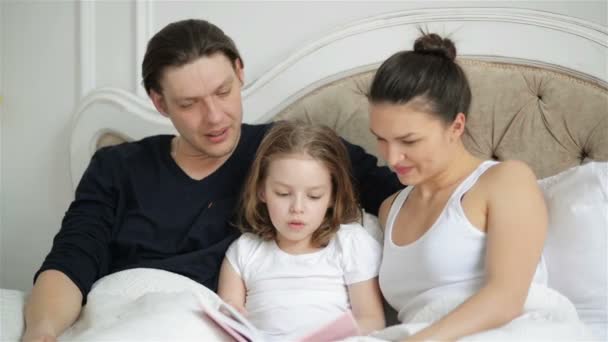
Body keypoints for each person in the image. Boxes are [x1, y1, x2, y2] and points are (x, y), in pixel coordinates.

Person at [22, 19, 401, 342]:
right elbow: (70, 262)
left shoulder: (288, 155)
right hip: (127, 313)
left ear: (240, 72)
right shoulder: (116, 167)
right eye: (189, 104)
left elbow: (398, 201)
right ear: (160, 103)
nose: (215, 117)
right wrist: (40, 333)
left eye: (223, 92)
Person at [368, 32, 548, 340]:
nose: (392, 156)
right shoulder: (390, 209)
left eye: (409, 141)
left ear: (456, 126)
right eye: (381, 139)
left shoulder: (505, 180)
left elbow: (506, 299)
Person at [217, 121, 386, 340]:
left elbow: (372, 320)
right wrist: (231, 314)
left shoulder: (350, 242)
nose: (297, 208)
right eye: (282, 193)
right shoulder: (243, 251)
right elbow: (228, 316)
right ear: (261, 191)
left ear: (333, 196)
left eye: (314, 196)